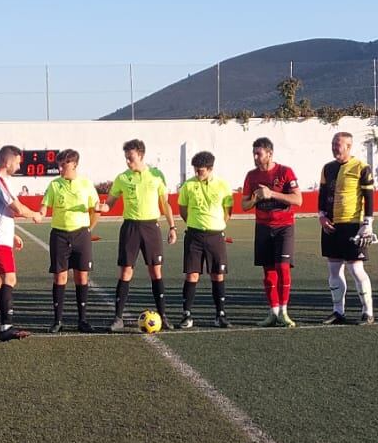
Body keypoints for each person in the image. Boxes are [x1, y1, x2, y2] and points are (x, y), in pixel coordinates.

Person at [106, 139, 175, 331]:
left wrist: (172, 227)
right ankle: (118, 318)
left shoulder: (156, 175)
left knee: (156, 271)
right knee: (126, 272)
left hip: (151, 228)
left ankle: (163, 316)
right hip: (130, 228)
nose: (128, 162)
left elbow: (165, 203)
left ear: (141, 155)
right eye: (126, 159)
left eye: (131, 158)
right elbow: (110, 203)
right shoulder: (122, 178)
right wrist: (101, 207)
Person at [0, 145, 46, 340]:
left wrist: (11, 234)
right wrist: (34, 215)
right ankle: (6, 328)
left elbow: (1, 212)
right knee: (10, 279)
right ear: (7, 161)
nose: (19, 166)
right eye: (18, 162)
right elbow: (16, 207)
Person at [41, 149, 104, 333]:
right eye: (59, 164)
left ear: (74, 164)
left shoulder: (86, 184)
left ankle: (82, 320)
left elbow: (96, 208)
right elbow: (45, 205)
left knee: (81, 276)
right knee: (60, 276)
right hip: (59, 235)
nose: (60, 168)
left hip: (81, 235)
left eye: (63, 164)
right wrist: (40, 213)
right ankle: (57, 320)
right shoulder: (54, 185)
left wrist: (88, 230)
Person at [239, 136, 300, 326]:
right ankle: (273, 312)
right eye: (254, 154)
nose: (256, 157)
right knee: (268, 272)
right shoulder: (251, 176)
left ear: (270, 153)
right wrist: (256, 198)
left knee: (283, 268)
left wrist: (272, 193)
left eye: (259, 153)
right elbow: (244, 205)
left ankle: (284, 311)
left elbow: (298, 200)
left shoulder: (285, 171)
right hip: (263, 227)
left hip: (284, 227)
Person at [318, 131, 375, 324]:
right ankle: (338, 311)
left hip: (353, 225)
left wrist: (367, 223)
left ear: (349, 147)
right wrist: (321, 216)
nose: (335, 147)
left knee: (356, 270)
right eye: (333, 143)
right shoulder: (327, 168)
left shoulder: (362, 167)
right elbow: (323, 194)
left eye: (338, 144)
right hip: (331, 225)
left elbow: (369, 197)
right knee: (334, 270)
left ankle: (367, 312)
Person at [176, 151, 236, 328]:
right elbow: (183, 209)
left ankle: (220, 314)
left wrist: (217, 225)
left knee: (217, 274)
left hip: (215, 236)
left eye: (200, 170)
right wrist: (195, 223)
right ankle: (186, 315)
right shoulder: (188, 185)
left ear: (210, 169)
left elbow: (228, 210)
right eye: (195, 170)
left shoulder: (222, 185)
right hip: (194, 235)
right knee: (192, 274)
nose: (197, 173)